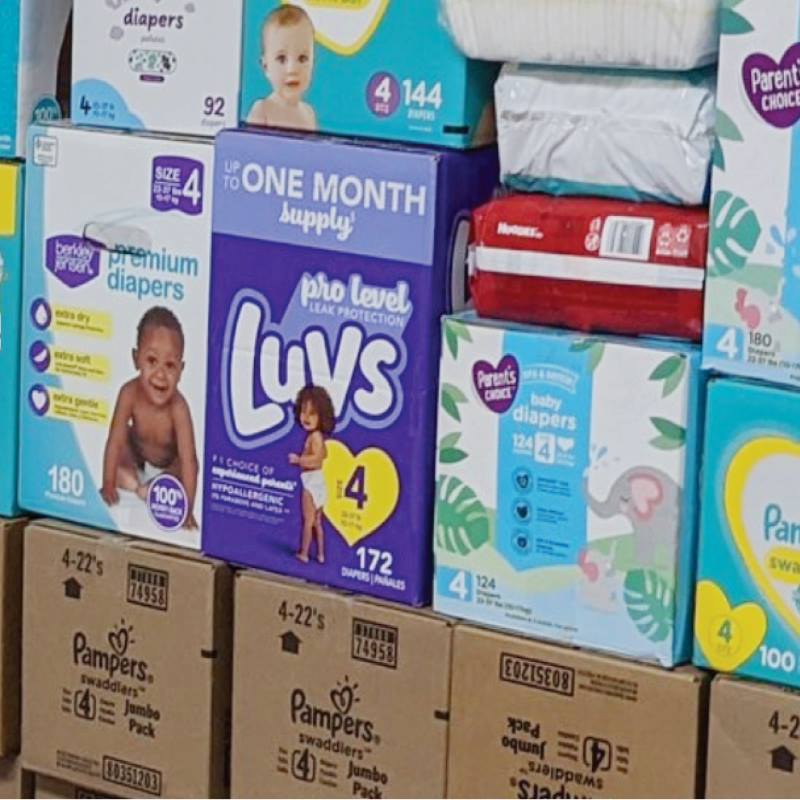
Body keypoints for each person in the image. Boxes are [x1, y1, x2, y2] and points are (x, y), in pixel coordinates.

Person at [100, 306, 199, 529]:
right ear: (136, 359)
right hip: (138, 459)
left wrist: (188, 509)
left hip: (167, 467)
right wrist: (107, 484)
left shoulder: (178, 407)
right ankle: (137, 486)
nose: (161, 375)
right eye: (152, 361)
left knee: (179, 471)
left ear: (181, 370)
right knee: (122, 443)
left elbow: (190, 461)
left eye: (170, 365)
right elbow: (114, 441)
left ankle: (150, 489)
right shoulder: (129, 393)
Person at [247, 4, 318, 131]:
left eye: (302, 58)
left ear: (313, 63)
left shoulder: (309, 114)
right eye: (281, 59)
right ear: (265, 67)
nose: (292, 69)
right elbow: (250, 149)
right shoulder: (263, 110)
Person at [289, 384, 335, 563]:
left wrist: (298, 460)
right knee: (317, 522)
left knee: (308, 520)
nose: (306, 417)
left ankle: (304, 553)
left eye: (312, 413)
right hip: (319, 482)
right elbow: (325, 454)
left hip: (311, 482)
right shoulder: (318, 438)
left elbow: (318, 460)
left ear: (322, 416)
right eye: (303, 412)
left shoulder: (315, 438)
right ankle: (321, 555)